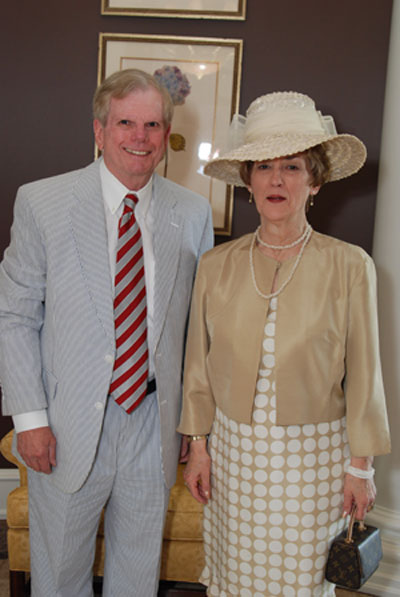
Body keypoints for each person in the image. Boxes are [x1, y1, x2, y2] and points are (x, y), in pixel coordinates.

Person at [0, 68, 213, 596]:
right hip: (65, 426)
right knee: (59, 577)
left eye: (152, 125)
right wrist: (29, 419)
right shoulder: (42, 203)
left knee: (137, 578)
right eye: (125, 123)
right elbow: (15, 315)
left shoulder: (192, 213)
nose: (140, 137)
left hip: (153, 422)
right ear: (99, 131)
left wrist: (193, 426)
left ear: (166, 134)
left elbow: (199, 331)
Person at [178, 91, 390, 597]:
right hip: (233, 458)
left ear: (315, 181)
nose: (277, 180)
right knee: (236, 579)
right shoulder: (215, 265)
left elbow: (366, 376)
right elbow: (197, 368)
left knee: (300, 583)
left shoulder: (350, 265)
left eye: (292, 167)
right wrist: (198, 448)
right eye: (264, 167)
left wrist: (360, 467)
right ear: (248, 181)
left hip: (315, 463)